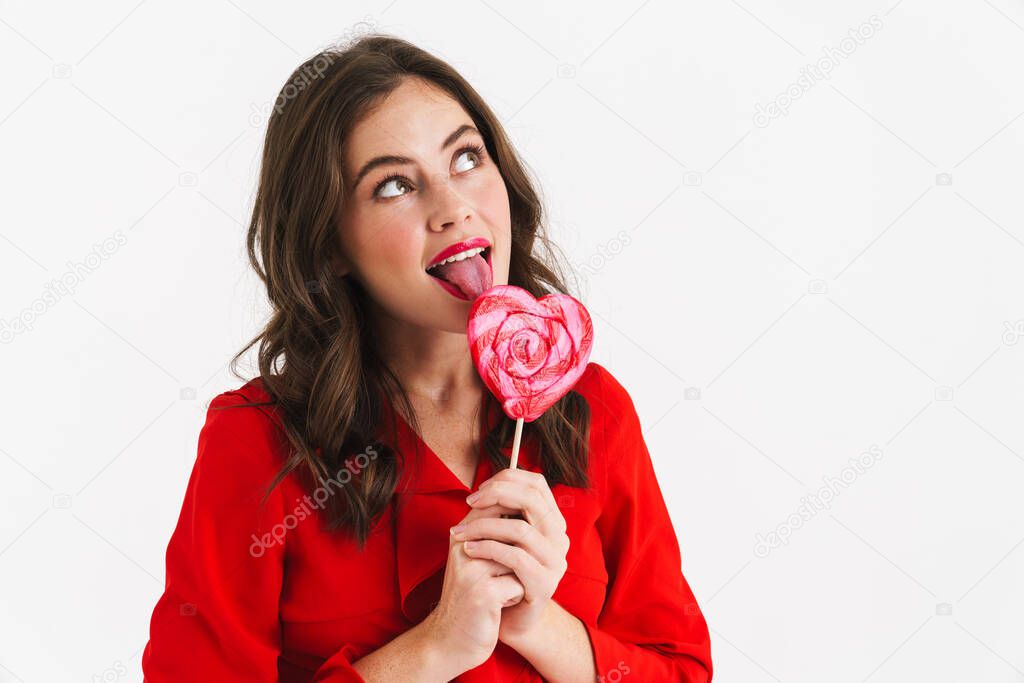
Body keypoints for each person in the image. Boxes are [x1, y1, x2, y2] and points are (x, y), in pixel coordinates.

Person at [141, 34, 712, 682]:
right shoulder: (257, 444)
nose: (454, 206)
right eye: (394, 185)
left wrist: (538, 623)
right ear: (330, 244)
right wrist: (436, 645)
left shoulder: (594, 411)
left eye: (466, 156)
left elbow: (680, 670)